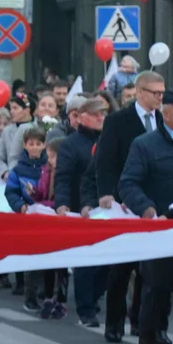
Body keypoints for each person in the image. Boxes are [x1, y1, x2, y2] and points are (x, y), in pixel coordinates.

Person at [119, 89, 173, 344]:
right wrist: (147, 208)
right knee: (157, 285)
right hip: (160, 227)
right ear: (166, 114)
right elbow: (128, 183)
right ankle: (149, 334)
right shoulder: (145, 144)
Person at [97, 70, 165, 340]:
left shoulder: (164, 120)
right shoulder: (118, 121)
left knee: (152, 271)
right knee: (121, 268)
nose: (160, 98)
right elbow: (106, 160)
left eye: (162, 93)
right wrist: (107, 193)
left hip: (154, 203)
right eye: (155, 93)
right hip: (124, 202)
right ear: (139, 92)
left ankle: (143, 323)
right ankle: (114, 323)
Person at [56, 98, 108, 324]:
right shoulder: (71, 144)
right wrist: (62, 203)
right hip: (81, 210)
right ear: (81, 116)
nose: (100, 118)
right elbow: (64, 177)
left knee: (106, 263)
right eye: (95, 114)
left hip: (107, 209)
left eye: (103, 114)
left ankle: (94, 296)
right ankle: (85, 310)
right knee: (86, 262)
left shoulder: (108, 141)